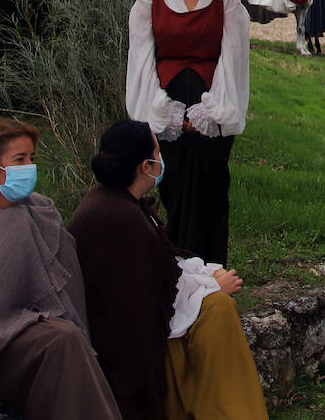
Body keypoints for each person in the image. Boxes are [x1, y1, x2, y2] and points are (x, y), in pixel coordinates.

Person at [68, 120, 268, 420]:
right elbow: (145, 298)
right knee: (217, 310)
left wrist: (207, 283)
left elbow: (160, 266)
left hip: (142, 331)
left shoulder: (121, 204)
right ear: (144, 166)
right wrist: (212, 287)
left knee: (215, 307)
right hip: (129, 356)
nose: (163, 160)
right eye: (158, 152)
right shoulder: (118, 217)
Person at [0, 118, 122, 420]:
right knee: (61, 341)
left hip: (43, 333)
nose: (29, 166)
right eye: (19, 159)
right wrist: (34, 320)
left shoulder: (41, 211)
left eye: (32, 157)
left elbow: (67, 288)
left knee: (67, 339)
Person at [126, 0, 250, 264]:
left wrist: (210, 114)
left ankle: (212, 273)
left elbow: (234, 58)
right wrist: (163, 114)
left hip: (212, 106)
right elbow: (141, 59)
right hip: (166, 107)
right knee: (174, 190)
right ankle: (177, 270)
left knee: (211, 189)